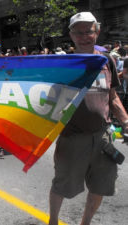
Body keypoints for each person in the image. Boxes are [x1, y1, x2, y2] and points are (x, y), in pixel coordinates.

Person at [48, 12, 128, 225]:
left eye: (89, 31)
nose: (84, 36)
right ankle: (53, 221)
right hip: (72, 139)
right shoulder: (62, 64)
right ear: (71, 35)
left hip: (103, 138)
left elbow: (112, 97)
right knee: (62, 185)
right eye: (79, 32)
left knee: (101, 185)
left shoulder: (107, 61)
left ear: (97, 32)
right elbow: (46, 100)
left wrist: (126, 121)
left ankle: (86, 223)